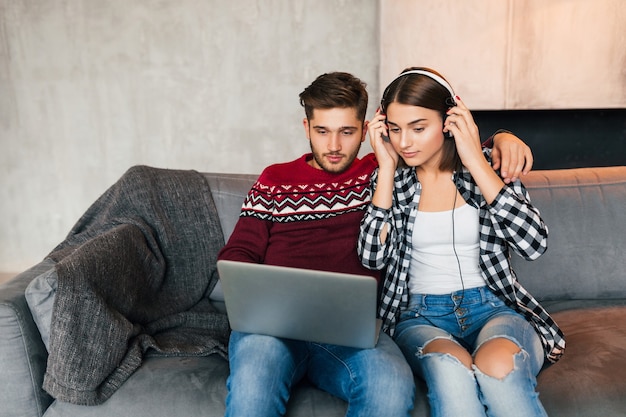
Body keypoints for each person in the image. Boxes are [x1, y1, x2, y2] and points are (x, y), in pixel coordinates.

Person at [218, 71, 535, 417]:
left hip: (349, 332)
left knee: (388, 385)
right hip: (273, 328)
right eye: (322, 131)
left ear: (367, 129)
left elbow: (443, 150)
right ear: (306, 128)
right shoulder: (274, 180)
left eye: (347, 132)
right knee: (253, 388)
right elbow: (238, 254)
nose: (334, 146)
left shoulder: (385, 170)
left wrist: (504, 137)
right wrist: (256, 294)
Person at [357, 67, 566, 417]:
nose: (404, 142)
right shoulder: (389, 179)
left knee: (499, 370)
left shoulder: (489, 167)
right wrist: (387, 171)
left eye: (418, 128)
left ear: (449, 120)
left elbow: (534, 245)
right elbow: (371, 258)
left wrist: (474, 159)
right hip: (420, 316)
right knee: (451, 374)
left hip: (494, 308)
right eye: (395, 129)